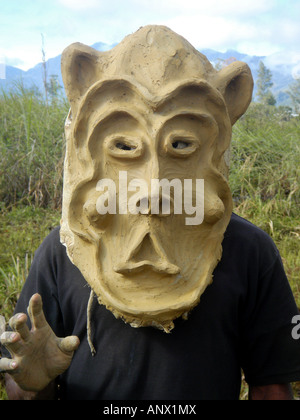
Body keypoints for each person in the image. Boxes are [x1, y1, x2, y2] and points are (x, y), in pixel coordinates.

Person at [1, 26, 300, 400]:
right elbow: (24, 388)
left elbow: (271, 387)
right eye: (124, 147)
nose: (153, 186)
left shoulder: (250, 253)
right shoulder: (62, 253)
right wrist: (32, 382)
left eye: (181, 144)